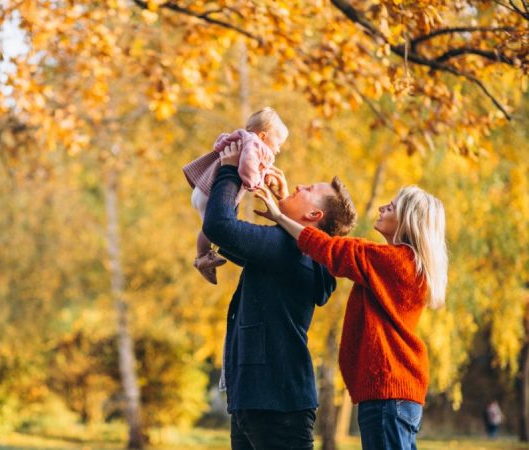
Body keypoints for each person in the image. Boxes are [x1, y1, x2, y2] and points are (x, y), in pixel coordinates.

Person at [254, 176, 449, 450]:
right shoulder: (403, 264)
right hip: (396, 395)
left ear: (407, 222)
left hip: (388, 392)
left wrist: (279, 214)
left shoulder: (392, 262)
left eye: (391, 208)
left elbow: (329, 248)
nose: (382, 208)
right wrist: (286, 206)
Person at [202, 143, 357, 449]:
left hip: (276, 402)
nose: (298, 185)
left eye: (308, 189)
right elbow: (230, 240)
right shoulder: (290, 249)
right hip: (261, 399)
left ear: (314, 213)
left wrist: (233, 169)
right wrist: (283, 201)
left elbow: (219, 226)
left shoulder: (289, 250)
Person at [184, 107, 289, 285]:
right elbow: (248, 165)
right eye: (278, 142)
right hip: (210, 193)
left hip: (202, 190)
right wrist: (254, 183)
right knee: (213, 228)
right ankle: (202, 257)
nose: (278, 149)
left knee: (211, 226)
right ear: (263, 136)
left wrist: (264, 174)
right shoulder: (254, 144)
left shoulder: (241, 139)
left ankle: (204, 255)